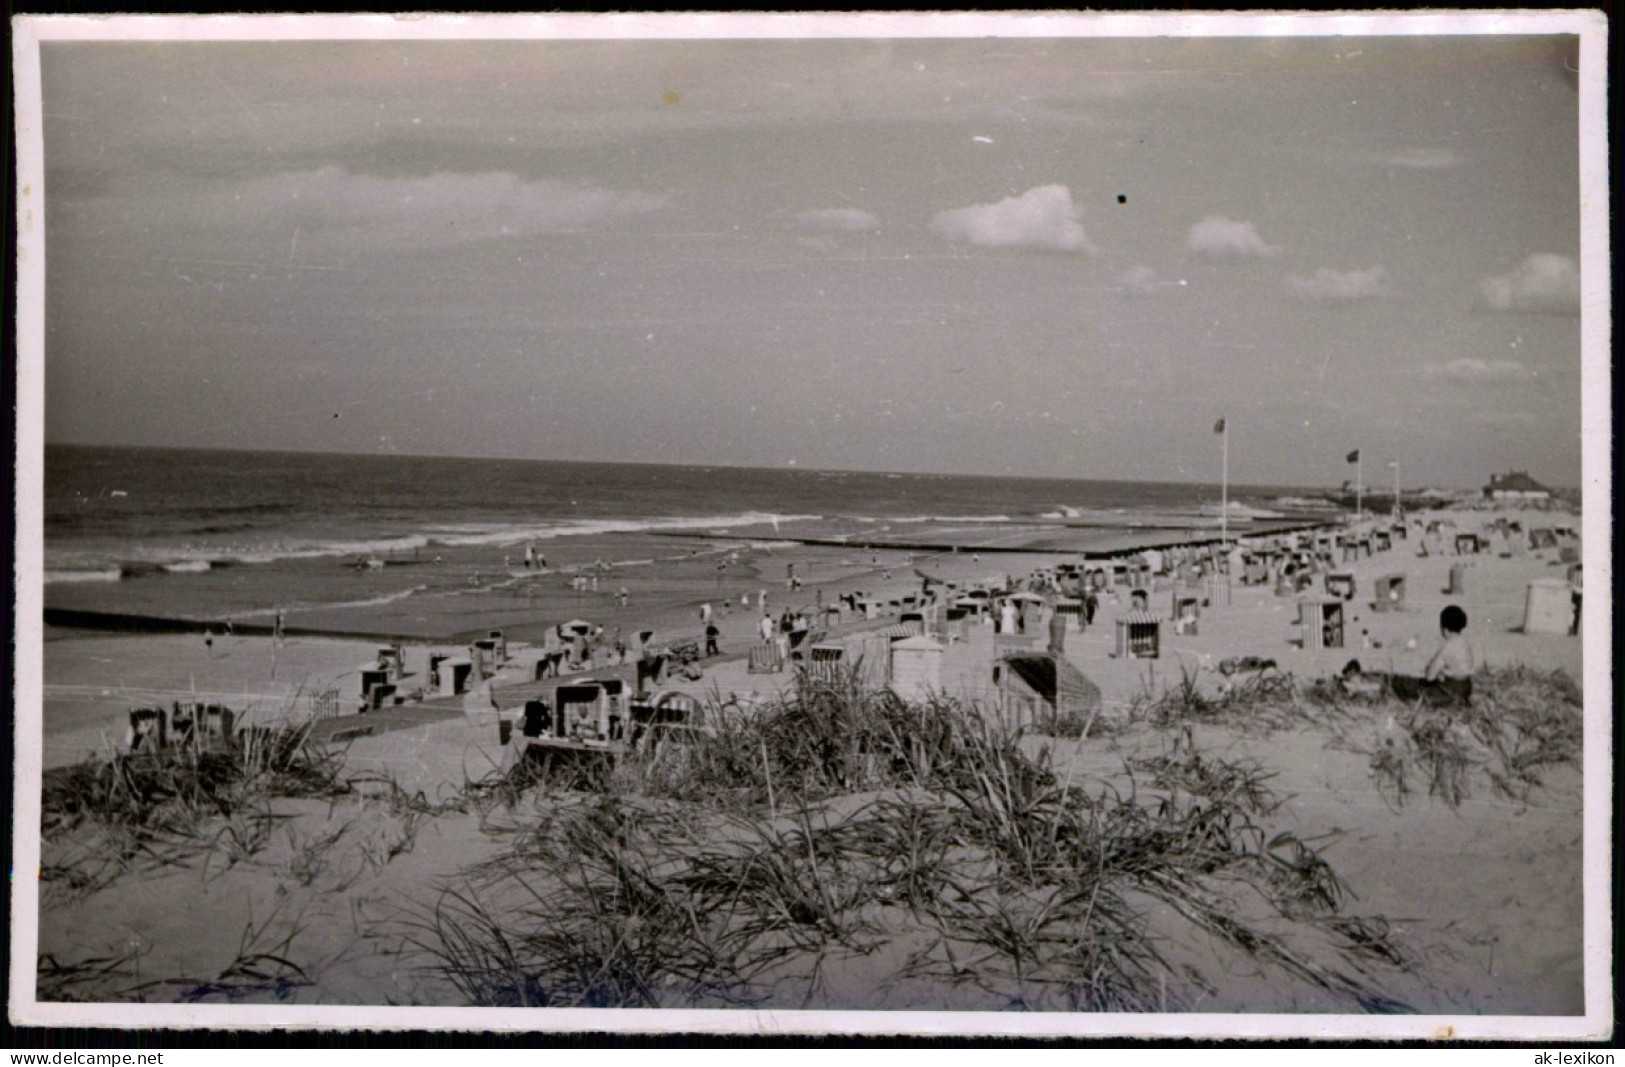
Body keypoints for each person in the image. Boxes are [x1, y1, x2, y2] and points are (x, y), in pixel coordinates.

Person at [1421, 604, 1474, 705]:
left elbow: (1430, 676)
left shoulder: (1447, 647)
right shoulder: (1464, 643)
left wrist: (1428, 667)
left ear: (1444, 629)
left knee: (1413, 687)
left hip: (1451, 691)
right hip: (1466, 687)